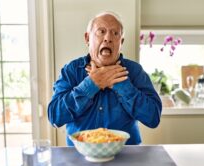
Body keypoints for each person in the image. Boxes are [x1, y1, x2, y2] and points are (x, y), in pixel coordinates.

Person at [48, 11, 162, 146]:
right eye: (101, 31)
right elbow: (55, 117)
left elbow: (153, 118)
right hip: (80, 156)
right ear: (87, 38)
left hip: (127, 155)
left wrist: (121, 85)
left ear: (121, 42)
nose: (108, 38)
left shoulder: (135, 72)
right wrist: (91, 84)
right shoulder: (71, 71)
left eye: (115, 33)